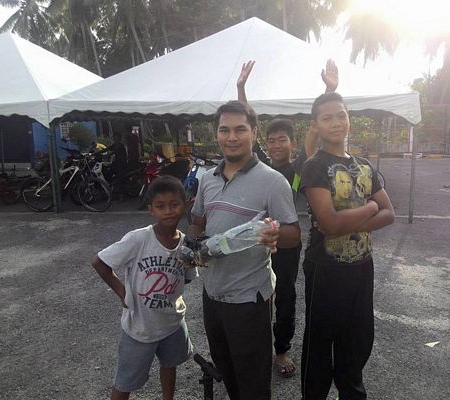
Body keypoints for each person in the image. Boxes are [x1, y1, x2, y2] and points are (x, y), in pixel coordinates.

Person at [188, 101, 301, 400]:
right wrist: (193, 246)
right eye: (224, 130)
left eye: (240, 129)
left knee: (254, 382)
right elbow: (198, 222)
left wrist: (275, 234)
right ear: (216, 134)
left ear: (254, 133)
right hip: (212, 295)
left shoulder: (273, 181)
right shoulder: (207, 179)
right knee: (227, 371)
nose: (232, 137)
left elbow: (293, 233)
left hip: (249, 300)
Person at [236, 59, 339, 377]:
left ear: (293, 144)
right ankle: (254, 349)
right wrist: (241, 89)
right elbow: (247, 123)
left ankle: (280, 351)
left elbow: (315, 129)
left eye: (282, 139)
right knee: (252, 295)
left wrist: (329, 90)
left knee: (284, 297)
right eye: (271, 140)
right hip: (256, 241)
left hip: (286, 245)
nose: (275, 144)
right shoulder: (260, 165)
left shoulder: (298, 169)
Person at [300, 92, 395, 399]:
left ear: (349, 118)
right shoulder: (314, 166)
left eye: (341, 115)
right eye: (327, 118)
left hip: (362, 266)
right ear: (316, 125)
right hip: (325, 269)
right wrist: (369, 208)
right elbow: (329, 225)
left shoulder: (364, 166)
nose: (336, 122)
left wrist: (350, 221)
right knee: (319, 344)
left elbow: (389, 213)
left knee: (357, 340)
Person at [92, 176, 197, 400]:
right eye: (160, 206)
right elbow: (100, 262)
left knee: (169, 364)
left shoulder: (186, 243)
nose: (168, 211)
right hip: (140, 327)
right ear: (151, 210)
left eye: (174, 204)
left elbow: (187, 277)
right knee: (125, 381)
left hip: (172, 322)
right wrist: (122, 292)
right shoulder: (139, 239)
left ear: (185, 205)